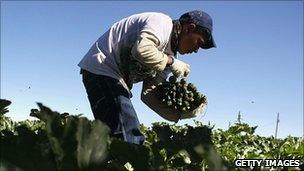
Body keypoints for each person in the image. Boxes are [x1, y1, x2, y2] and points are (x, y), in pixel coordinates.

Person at [78, 10, 216, 145]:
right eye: (199, 42)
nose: (197, 50)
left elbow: (149, 95)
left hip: (115, 79)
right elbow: (142, 50)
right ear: (190, 28)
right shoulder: (162, 24)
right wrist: (171, 62)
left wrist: (180, 115)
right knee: (128, 136)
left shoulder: (170, 56)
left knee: (117, 138)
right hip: (103, 67)